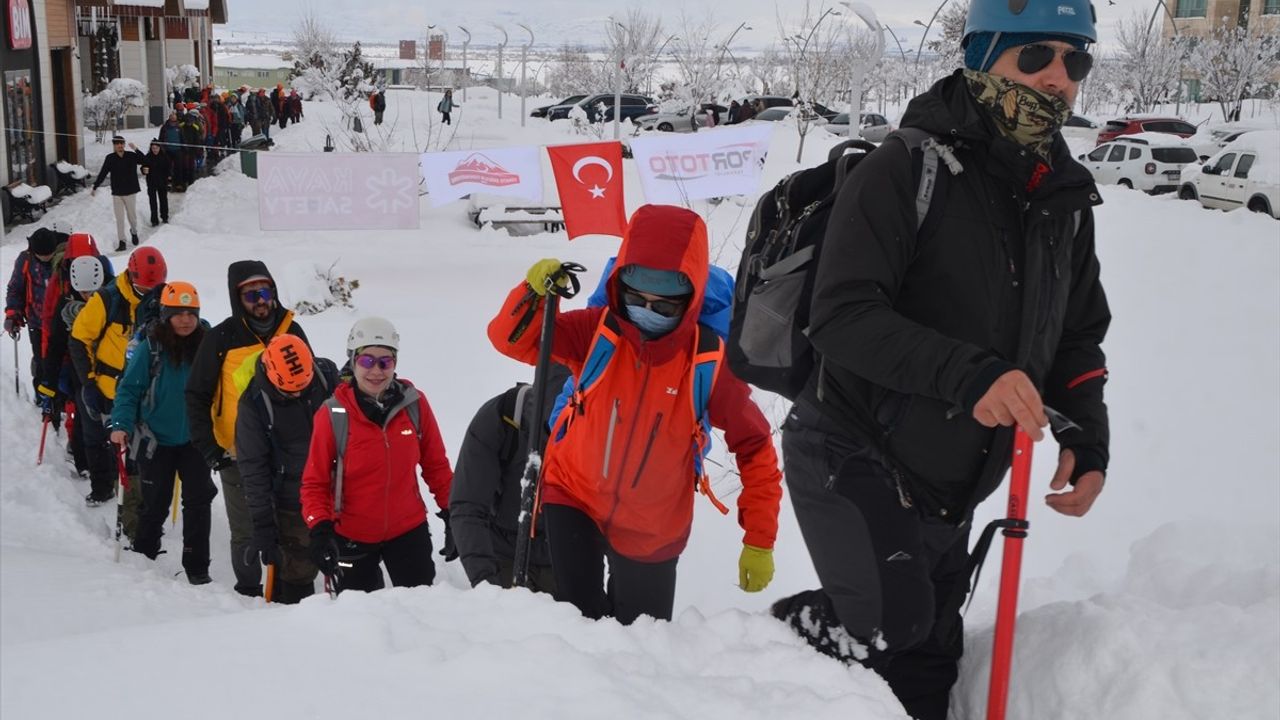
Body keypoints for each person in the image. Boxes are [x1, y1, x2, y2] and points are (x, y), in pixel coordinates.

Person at [768, 2, 1112, 718]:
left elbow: (1076, 333)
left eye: (1075, 61)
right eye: (1035, 57)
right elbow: (843, 315)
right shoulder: (908, 167)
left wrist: (1085, 430)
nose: (1058, 78)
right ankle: (765, 661)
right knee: (892, 631)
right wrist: (972, 374)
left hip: (954, 474)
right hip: (851, 447)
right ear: (982, 55)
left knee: (930, 655)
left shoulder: (1062, 195)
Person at [486, 204, 784, 625]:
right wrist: (533, 295)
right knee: (578, 624)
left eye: (665, 307)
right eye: (635, 298)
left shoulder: (707, 362)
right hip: (572, 494)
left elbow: (754, 445)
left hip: (653, 527)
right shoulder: (597, 330)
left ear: (692, 298)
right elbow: (512, 341)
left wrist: (759, 538)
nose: (647, 311)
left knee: (641, 641)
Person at [300, 317, 454, 594]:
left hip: (408, 530)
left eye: (386, 362)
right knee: (359, 622)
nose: (376, 371)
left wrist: (453, 512)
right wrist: (319, 529)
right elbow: (314, 482)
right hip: (351, 536)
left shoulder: (414, 404)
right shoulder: (333, 414)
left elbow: (436, 466)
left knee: (421, 612)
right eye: (367, 361)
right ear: (353, 361)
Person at [185, 261, 309, 597]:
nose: (260, 300)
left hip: (288, 454)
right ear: (237, 297)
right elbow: (196, 395)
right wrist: (210, 449)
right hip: (236, 453)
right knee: (248, 529)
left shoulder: (291, 332)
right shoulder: (221, 338)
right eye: (251, 293)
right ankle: (249, 593)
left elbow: (309, 386)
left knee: (291, 525)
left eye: (265, 291)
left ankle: (289, 589)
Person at [108, 282, 217, 585]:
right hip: (156, 440)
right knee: (155, 502)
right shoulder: (151, 348)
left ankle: (197, 567)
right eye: (178, 313)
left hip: (196, 441)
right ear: (166, 315)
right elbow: (128, 390)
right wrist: (120, 425)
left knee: (198, 503)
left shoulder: (208, 347)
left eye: (190, 313)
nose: (185, 320)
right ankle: (144, 555)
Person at [448, 363, 571, 591]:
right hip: (504, 554)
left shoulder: (594, 427)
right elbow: (468, 505)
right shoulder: (501, 418)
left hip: (564, 559)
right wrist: (487, 585)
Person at [236, 335, 337, 603]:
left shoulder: (326, 378)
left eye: (303, 387)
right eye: (290, 391)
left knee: (346, 559)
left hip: (339, 491)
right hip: (292, 500)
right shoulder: (253, 405)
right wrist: (263, 525)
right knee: (298, 571)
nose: (298, 394)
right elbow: (253, 468)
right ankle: (293, 623)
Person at [70, 246, 167, 511]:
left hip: (142, 390)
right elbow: (79, 338)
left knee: (138, 447)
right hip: (104, 386)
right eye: (145, 288)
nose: (149, 293)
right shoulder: (107, 299)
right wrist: (88, 383)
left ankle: (137, 501)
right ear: (132, 277)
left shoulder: (164, 300)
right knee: (96, 438)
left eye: (154, 287)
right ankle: (102, 487)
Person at [40, 254, 110, 479]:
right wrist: (48, 383)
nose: (89, 297)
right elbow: (56, 344)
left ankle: (117, 467)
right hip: (79, 369)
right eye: (84, 292)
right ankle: (86, 464)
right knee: (83, 417)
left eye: (93, 291)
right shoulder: (66, 306)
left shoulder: (113, 298)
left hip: (112, 368)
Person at [5, 228, 59, 398]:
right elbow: (15, 288)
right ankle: (42, 396)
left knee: (59, 361)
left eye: (49, 254)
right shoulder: (26, 260)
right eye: (42, 255)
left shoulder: (60, 259)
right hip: (36, 322)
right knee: (41, 360)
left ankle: (62, 398)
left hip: (58, 322)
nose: (46, 258)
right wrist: (13, 313)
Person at [91, 137, 145, 252]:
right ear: (114, 146)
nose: (119, 146)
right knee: (119, 218)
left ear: (124, 145)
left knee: (132, 217)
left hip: (130, 191)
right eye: (117, 144)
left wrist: (135, 149)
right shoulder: (110, 158)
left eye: (121, 143)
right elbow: (103, 173)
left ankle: (134, 232)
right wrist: (95, 186)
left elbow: (144, 160)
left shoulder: (131, 156)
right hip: (117, 193)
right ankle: (122, 241)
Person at [141, 140, 171, 227]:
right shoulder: (148, 157)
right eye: (153, 148)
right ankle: (154, 220)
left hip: (162, 182)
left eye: (156, 148)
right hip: (151, 182)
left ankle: (164, 217)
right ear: (150, 148)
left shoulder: (164, 156)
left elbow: (168, 169)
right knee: (152, 202)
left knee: (163, 200)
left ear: (159, 148)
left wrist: (169, 179)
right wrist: (144, 170)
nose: (155, 150)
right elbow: (143, 167)